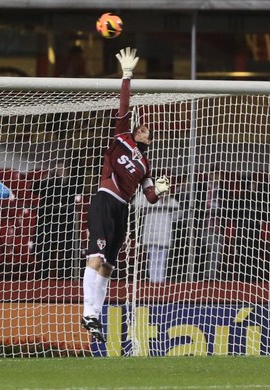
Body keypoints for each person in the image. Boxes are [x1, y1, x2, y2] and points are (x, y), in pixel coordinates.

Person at [81, 47, 171, 342]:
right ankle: (88, 312)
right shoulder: (121, 135)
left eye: (147, 129)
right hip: (106, 201)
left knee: (107, 265)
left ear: (150, 139)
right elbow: (124, 104)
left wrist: (160, 189)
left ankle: (95, 315)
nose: (142, 127)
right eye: (140, 125)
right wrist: (127, 76)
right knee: (95, 258)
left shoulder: (146, 164)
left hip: (123, 211)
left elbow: (151, 198)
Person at [33, 162, 79, 279]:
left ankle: (67, 277)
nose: (60, 172)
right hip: (49, 220)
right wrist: (47, 177)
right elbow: (34, 187)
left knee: (68, 249)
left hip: (65, 222)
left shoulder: (71, 183)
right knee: (45, 250)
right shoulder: (49, 183)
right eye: (58, 169)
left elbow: (75, 192)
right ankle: (42, 276)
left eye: (62, 169)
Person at [133, 193, 181, 283]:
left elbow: (178, 216)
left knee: (162, 260)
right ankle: (153, 281)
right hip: (151, 233)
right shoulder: (147, 198)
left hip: (164, 234)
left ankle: (160, 282)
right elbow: (135, 203)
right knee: (153, 259)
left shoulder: (170, 200)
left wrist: (166, 202)